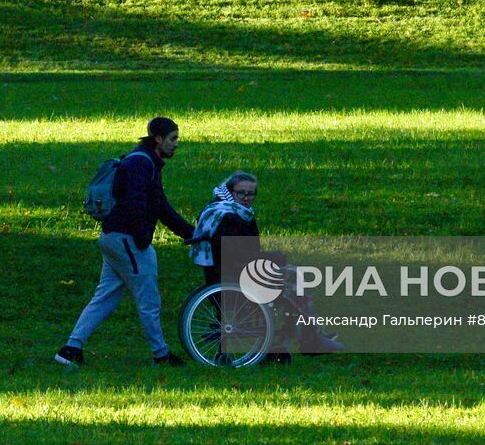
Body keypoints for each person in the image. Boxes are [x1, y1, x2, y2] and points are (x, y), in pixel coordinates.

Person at [56, 117, 194, 367]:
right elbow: (138, 203)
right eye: (173, 139)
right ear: (158, 139)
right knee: (149, 300)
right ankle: (161, 355)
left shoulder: (143, 160)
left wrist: (189, 233)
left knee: (105, 296)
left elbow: (160, 206)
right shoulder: (143, 165)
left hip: (113, 238)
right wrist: (142, 238)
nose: (176, 144)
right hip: (128, 240)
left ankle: (70, 349)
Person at [189, 172, 344, 359]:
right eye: (241, 193)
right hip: (235, 280)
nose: (246, 198)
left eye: (251, 194)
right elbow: (237, 256)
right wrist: (273, 258)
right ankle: (310, 338)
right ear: (231, 192)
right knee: (295, 281)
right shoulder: (228, 217)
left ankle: (308, 335)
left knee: (295, 278)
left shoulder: (225, 211)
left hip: (234, 275)